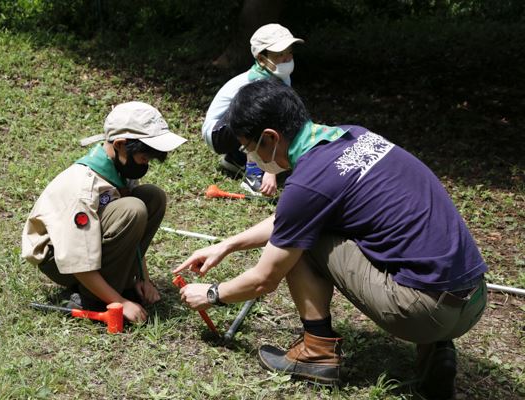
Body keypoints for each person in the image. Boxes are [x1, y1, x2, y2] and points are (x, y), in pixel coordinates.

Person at [174, 80, 487, 399]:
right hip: (473, 300)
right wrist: (227, 245)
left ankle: (317, 350)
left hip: (426, 312)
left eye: (248, 148)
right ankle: (438, 352)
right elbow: (294, 214)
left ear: (270, 138)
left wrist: (212, 294)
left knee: (309, 239)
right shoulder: (353, 135)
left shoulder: (310, 181)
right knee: (343, 228)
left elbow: (264, 279)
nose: (251, 158)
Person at [22, 102, 186, 323]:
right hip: (61, 260)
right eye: (143, 158)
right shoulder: (83, 188)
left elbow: (130, 233)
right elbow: (75, 258)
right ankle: (91, 297)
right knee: (133, 209)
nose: (145, 165)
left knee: (152, 197)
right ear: (120, 145)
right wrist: (121, 302)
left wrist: (143, 278)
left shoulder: (121, 167)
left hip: (90, 245)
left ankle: (123, 282)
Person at [202, 23, 303, 196]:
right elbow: (270, 123)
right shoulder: (258, 83)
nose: (287, 59)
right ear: (262, 59)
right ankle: (253, 177)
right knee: (262, 118)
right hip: (217, 133)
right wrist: (271, 171)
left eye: (289, 53)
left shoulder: (280, 76)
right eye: (279, 55)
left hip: (230, 127)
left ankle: (235, 158)